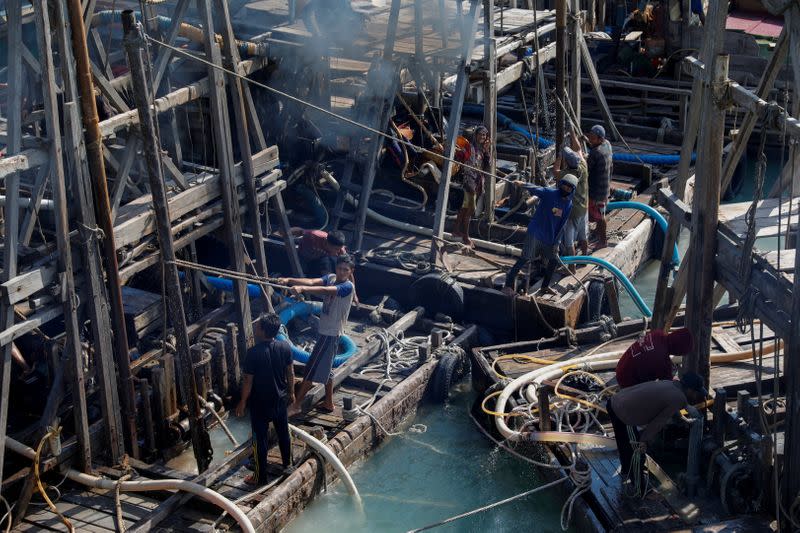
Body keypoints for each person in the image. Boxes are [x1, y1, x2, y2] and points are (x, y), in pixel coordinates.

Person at [279, 255, 356, 416]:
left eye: (345, 270)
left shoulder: (348, 287)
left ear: (351, 272)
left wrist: (303, 290)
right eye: (340, 268)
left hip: (331, 334)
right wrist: (290, 280)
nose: (342, 272)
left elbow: (326, 290)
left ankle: (297, 405)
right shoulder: (331, 278)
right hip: (324, 332)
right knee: (325, 370)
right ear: (336, 268)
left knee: (311, 370)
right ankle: (328, 403)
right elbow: (313, 282)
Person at [606, 372, 707, 491]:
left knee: (624, 444)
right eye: (696, 392)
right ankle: (641, 490)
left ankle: (626, 470)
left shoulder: (671, 384)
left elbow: (670, 405)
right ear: (689, 389)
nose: (696, 396)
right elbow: (658, 422)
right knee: (638, 454)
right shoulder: (679, 398)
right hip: (626, 415)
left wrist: (682, 418)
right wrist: (643, 441)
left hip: (614, 402)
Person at [235, 313, 295, 485]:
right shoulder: (285, 347)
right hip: (280, 399)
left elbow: (248, 381)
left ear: (262, 331)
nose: (255, 328)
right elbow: (290, 373)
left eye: (257, 326)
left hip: (260, 404)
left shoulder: (253, 353)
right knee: (283, 433)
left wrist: (243, 401)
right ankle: (288, 465)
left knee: (259, 439)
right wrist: (291, 392)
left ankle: (260, 477)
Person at [502, 174, 578, 296]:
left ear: (573, 190)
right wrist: (521, 184)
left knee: (553, 261)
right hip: (535, 232)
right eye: (565, 185)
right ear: (561, 184)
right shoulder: (549, 193)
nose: (566, 188)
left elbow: (562, 225)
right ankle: (507, 285)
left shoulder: (569, 205)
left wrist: (556, 243)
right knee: (525, 258)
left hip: (550, 237)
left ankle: (545, 286)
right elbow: (535, 188)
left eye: (570, 187)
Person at [452, 125, 492, 247]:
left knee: (464, 208)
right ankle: (465, 236)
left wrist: (486, 150)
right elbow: (466, 164)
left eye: (484, 135)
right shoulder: (470, 147)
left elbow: (487, 166)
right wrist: (471, 185)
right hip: (470, 182)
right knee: (470, 210)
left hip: (477, 182)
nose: (482, 137)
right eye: (480, 134)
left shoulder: (482, 150)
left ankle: (456, 230)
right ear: (475, 135)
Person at [615, 328, 693, 389]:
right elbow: (669, 385)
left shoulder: (658, 333)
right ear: (678, 350)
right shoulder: (662, 362)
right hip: (626, 381)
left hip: (621, 367)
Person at [557, 136, 590, 267]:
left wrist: (559, 157)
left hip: (572, 212)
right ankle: (585, 258)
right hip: (584, 209)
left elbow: (555, 172)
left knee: (569, 241)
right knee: (583, 236)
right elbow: (579, 149)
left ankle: (572, 267)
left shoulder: (567, 175)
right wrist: (573, 132)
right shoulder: (583, 167)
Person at [585, 125, 613, 249]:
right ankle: (598, 232)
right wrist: (586, 141)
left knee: (599, 217)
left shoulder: (595, 153)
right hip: (605, 187)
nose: (590, 140)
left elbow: (585, 169)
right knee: (599, 214)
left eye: (592, 138)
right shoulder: (607, 144)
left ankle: (603, 241)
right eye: (589, 137)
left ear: (600, 139)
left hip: (597, 192)